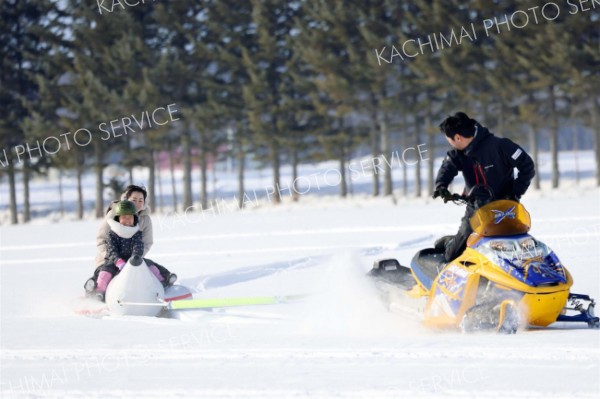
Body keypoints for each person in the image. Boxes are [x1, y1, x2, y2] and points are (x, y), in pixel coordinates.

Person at [432, 112, 535, 262]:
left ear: (458, 138)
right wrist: (441, 185)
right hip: (477, 209)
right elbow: (447, 167)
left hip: (507, 207)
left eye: (449, 140)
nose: (450, 143)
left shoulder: (501, 145)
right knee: (454, 254)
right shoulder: (458, 154)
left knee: (517, 245)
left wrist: (515, 193)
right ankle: (450, 249)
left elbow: (527, 166)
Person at [85, 184, 176, 297]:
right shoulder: (115, 214)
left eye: (140, 200)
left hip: (133, 257)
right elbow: (102, 239)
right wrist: (115, 259)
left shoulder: (145, 219)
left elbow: (146, 242)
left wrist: (135, 259)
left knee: (149, 266)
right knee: (105, 271)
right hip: (109, 257)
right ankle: (94, 290)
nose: (137, 203)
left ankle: (164, 281)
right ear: (126, 199)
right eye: (134, 200)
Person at [89, 200, 165, 302]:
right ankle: (99, 292)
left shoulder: (137, 233)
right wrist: (118, 261)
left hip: (133, 261)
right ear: (118, 218)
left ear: (135, 218)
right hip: (114, 262)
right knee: (104, 273)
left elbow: (138, 247)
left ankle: (163, 284)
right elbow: (111, 250)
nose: (127, 220)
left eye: (130, 217)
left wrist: (135, 259)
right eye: (124, 217)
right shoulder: (112, 234)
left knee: (151, 266)